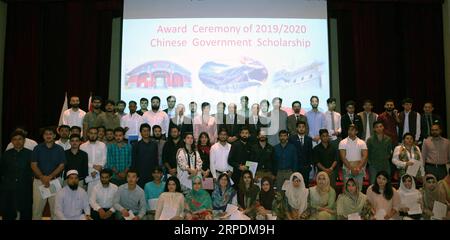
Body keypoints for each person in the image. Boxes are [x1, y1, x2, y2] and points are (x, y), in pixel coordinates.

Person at [31, 127, 65, 220]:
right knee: (37, 209)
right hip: (39, 181)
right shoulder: (37, 148)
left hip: (54, 182)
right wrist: (42, 177)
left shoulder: (59, 149)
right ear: (43, 136)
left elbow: (61, 165)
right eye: (46, 134)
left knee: (55, 209)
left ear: (54, 135)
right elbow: (33, 165)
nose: (48, 136)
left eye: (51, 134)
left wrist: (49, 177)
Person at [0, 130, 33, 220]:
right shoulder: (6, 154)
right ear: (11, 141)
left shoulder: (31, 154)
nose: (17, 142)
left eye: (20, 139)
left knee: (26, 213)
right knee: (8, 213)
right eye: (14, 139)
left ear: (24, 141)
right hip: (8, 189)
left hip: (25, 188)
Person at [339, 124, 368, 190]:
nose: (350, 131)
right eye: (349, 130)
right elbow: (343, 157)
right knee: (347, 190)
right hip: (347, 169)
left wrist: (358, 168)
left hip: (359, 169)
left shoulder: (362, 142)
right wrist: (351, 169)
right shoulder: (342, 142)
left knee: (359, 189)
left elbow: (365, 156)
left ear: (356, 131)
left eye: (352, 130)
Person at [80, 127, 107, 195]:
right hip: (87, 174)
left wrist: (96, 171)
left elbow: (104, 159)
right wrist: (93, 166)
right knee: (88, 195)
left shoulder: (102, 145)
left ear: (97, 134)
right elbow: (83, 161)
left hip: (99, 174)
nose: (93, 135)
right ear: (88, 134)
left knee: (99, 195)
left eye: (95, 133)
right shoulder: (82, 146)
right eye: (91, 133)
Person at [131, 123, 159, 188]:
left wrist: (156, 172)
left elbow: (156, 159)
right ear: (140, 132)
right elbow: (134, 160)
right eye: (144, 131)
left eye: (148, 131)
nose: (146, 133)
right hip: (140, 173)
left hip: (151, 173)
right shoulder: (136, 145)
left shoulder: (154, 144)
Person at [289, 121, 313, 187]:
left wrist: (310, 165)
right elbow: (291, 154)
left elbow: (310, 153)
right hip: (296, 166)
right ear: (296, 128)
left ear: (305, 128)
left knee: (305, 185)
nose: (301, 129)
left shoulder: (309, 139)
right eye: (299, 127)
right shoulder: (292, 139)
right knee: (296, 185)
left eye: (303, 127)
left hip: (306, 167)